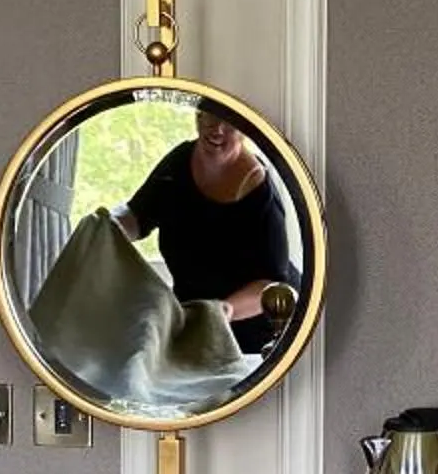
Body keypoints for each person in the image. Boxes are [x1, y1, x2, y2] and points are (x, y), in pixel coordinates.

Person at [111, 105, 302, 354]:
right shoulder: (179, 161)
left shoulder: (261, 191)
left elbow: (271, 285)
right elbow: (137, 216)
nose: (217, 128)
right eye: (210, 115)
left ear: (244, 130)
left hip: (255, 333)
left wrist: (220, 313)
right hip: (195, 321)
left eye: (229, 122)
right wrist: (106, 225)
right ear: (198, 116)